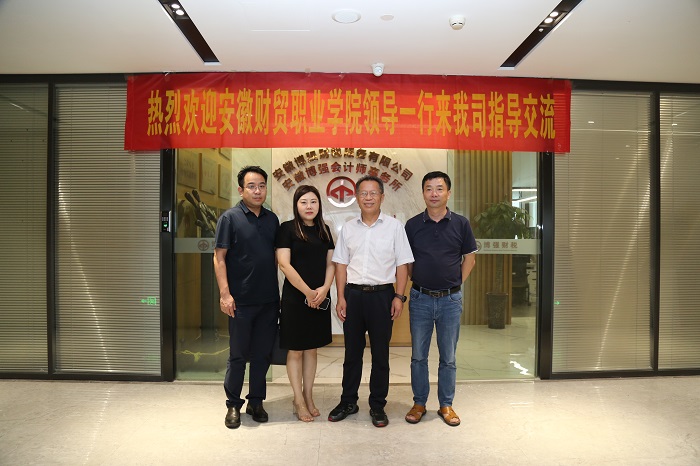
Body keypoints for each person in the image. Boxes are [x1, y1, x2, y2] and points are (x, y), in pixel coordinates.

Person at [328, 175, 414, 428]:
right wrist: (341, 297)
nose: (368, 198)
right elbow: (341, 265)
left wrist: (399, 296)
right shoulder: (348, 228)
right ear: (356, 197)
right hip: (353, 296)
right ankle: (348, 401)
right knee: (351, 354)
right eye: (363, 193)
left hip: (382, 297)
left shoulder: (394, 227)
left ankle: (377, 405)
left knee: (381, 354)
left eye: (373, 193)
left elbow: (402, 265)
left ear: (382, 197)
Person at [403, 171, 477, 427]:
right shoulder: (412, 225)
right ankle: (419, 403)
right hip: (420, 299)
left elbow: (470, 258)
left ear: (448, 192)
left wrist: (455, 284)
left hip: (450, 301)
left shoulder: (461, 223)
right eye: (428, 188)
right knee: (418, 356)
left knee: (448, 357)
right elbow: (407, 262)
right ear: (423, 193)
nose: (434, 193)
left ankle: (446, 404)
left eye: (439, 188)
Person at [214, 166, 280, 429]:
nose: (257, 191)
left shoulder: (272, 219)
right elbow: (219, 258)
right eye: (252, 186)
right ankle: (233, 404)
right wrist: (225, 294)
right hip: (240, 302)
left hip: (268, 300)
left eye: (262, 186)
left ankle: (256, 401)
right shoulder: (229, 219)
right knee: (238, 356)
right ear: (241, 190)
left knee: (262, 355)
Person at [275, 185, 336, 422]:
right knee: (296, 349)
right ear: (296, 205)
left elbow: (331, 263)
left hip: (319, 297)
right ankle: (298, 399)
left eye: (313, 201)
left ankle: (309, 397)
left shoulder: (324, 230)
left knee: (312, 348)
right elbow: (284, 264)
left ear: (319, 204)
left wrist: (324, 289)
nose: (309, 206)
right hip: (295, 298)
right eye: (304, 202)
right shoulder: (287, 229)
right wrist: (308, 292)